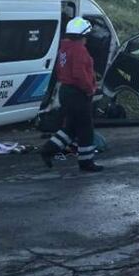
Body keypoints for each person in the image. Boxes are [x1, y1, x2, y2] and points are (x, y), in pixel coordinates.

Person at [40, 17, 102, 172]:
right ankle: (86, 162)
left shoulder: (64, 48)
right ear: (83, 35)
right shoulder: (79, 50)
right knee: (86, 129)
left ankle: (48, 150)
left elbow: (63, 70)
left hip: (66, 91)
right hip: (78, 93)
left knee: (72, 127)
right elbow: (79, 74)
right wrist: (89, 90)